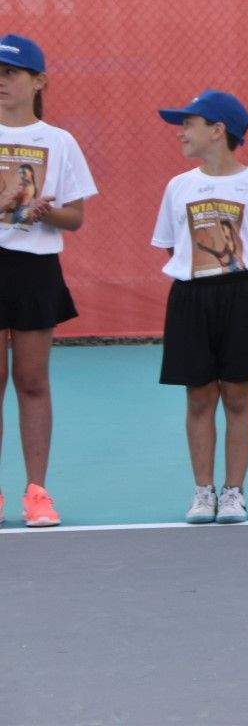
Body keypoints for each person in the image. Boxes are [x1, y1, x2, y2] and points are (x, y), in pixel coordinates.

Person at [152, 91, 248, 525]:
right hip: (191, 298)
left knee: (237, 394)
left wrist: (239, 264)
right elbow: (174, 244)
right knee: (198, 395)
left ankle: (234, 492)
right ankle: (202, 492)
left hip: (242, 298)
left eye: (189, 123)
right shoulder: (178, 187)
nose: (182, 132)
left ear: (218, 131)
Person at [0, 34, 95, 528]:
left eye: (11, 73)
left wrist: (44, 212)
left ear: (38, 81)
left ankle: (37, 492)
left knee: (32, 381)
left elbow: (75, 217)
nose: (1, 82)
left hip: (36, 269)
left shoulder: (59, 141)